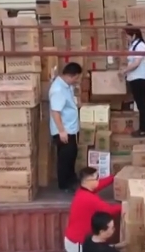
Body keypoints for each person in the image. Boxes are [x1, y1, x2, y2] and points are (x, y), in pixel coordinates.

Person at [64, 167, 120, 252]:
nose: (98, 180)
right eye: (96, 178)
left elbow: (100, 184)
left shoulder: (82, 190)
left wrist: (113, 177)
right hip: (77, 241)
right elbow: (109, 210)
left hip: (78, 238)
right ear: (87, 182)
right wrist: (125, 206)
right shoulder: (88, 198)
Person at [50, 62, 83, 192]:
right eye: (76, 78)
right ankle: (64, 184)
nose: (77, 80)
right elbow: (55, 111)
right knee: (65, 158)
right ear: (71, 75)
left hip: (71, 128)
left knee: (71, 155)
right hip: (64, 130)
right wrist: (62, 131)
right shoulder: (58, 89)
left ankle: (71, 179)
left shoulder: (67, 86)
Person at [119, 27, 145, 137]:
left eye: (127, 36)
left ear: (133, 35)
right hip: (135, 78)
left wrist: (124, 71)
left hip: (140, 79)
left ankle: (144, 129)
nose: (126, 38)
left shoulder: (141, 46)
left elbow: (136, 63)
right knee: (141, 104)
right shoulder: (133, 45)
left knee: (142, 105)